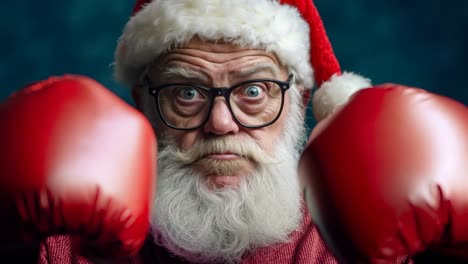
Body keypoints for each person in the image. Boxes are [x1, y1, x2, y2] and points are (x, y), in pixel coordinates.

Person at [1, 0, 467, 263]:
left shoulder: (367, 243)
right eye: (186, 94)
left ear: (300, 100)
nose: (221, 123)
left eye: (255, 91)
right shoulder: (65, 246)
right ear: (143, 105)